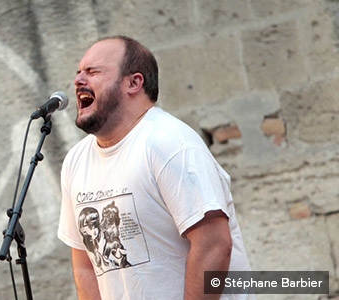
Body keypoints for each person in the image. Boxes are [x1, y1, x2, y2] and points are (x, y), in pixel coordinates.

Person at [57, 35, 253, 299]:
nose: (78, 80)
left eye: (92, 72)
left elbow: (214, 245)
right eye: (79, 72)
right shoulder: (76, 161)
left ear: (134, 82)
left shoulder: (170, 143)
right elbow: (85, 265)